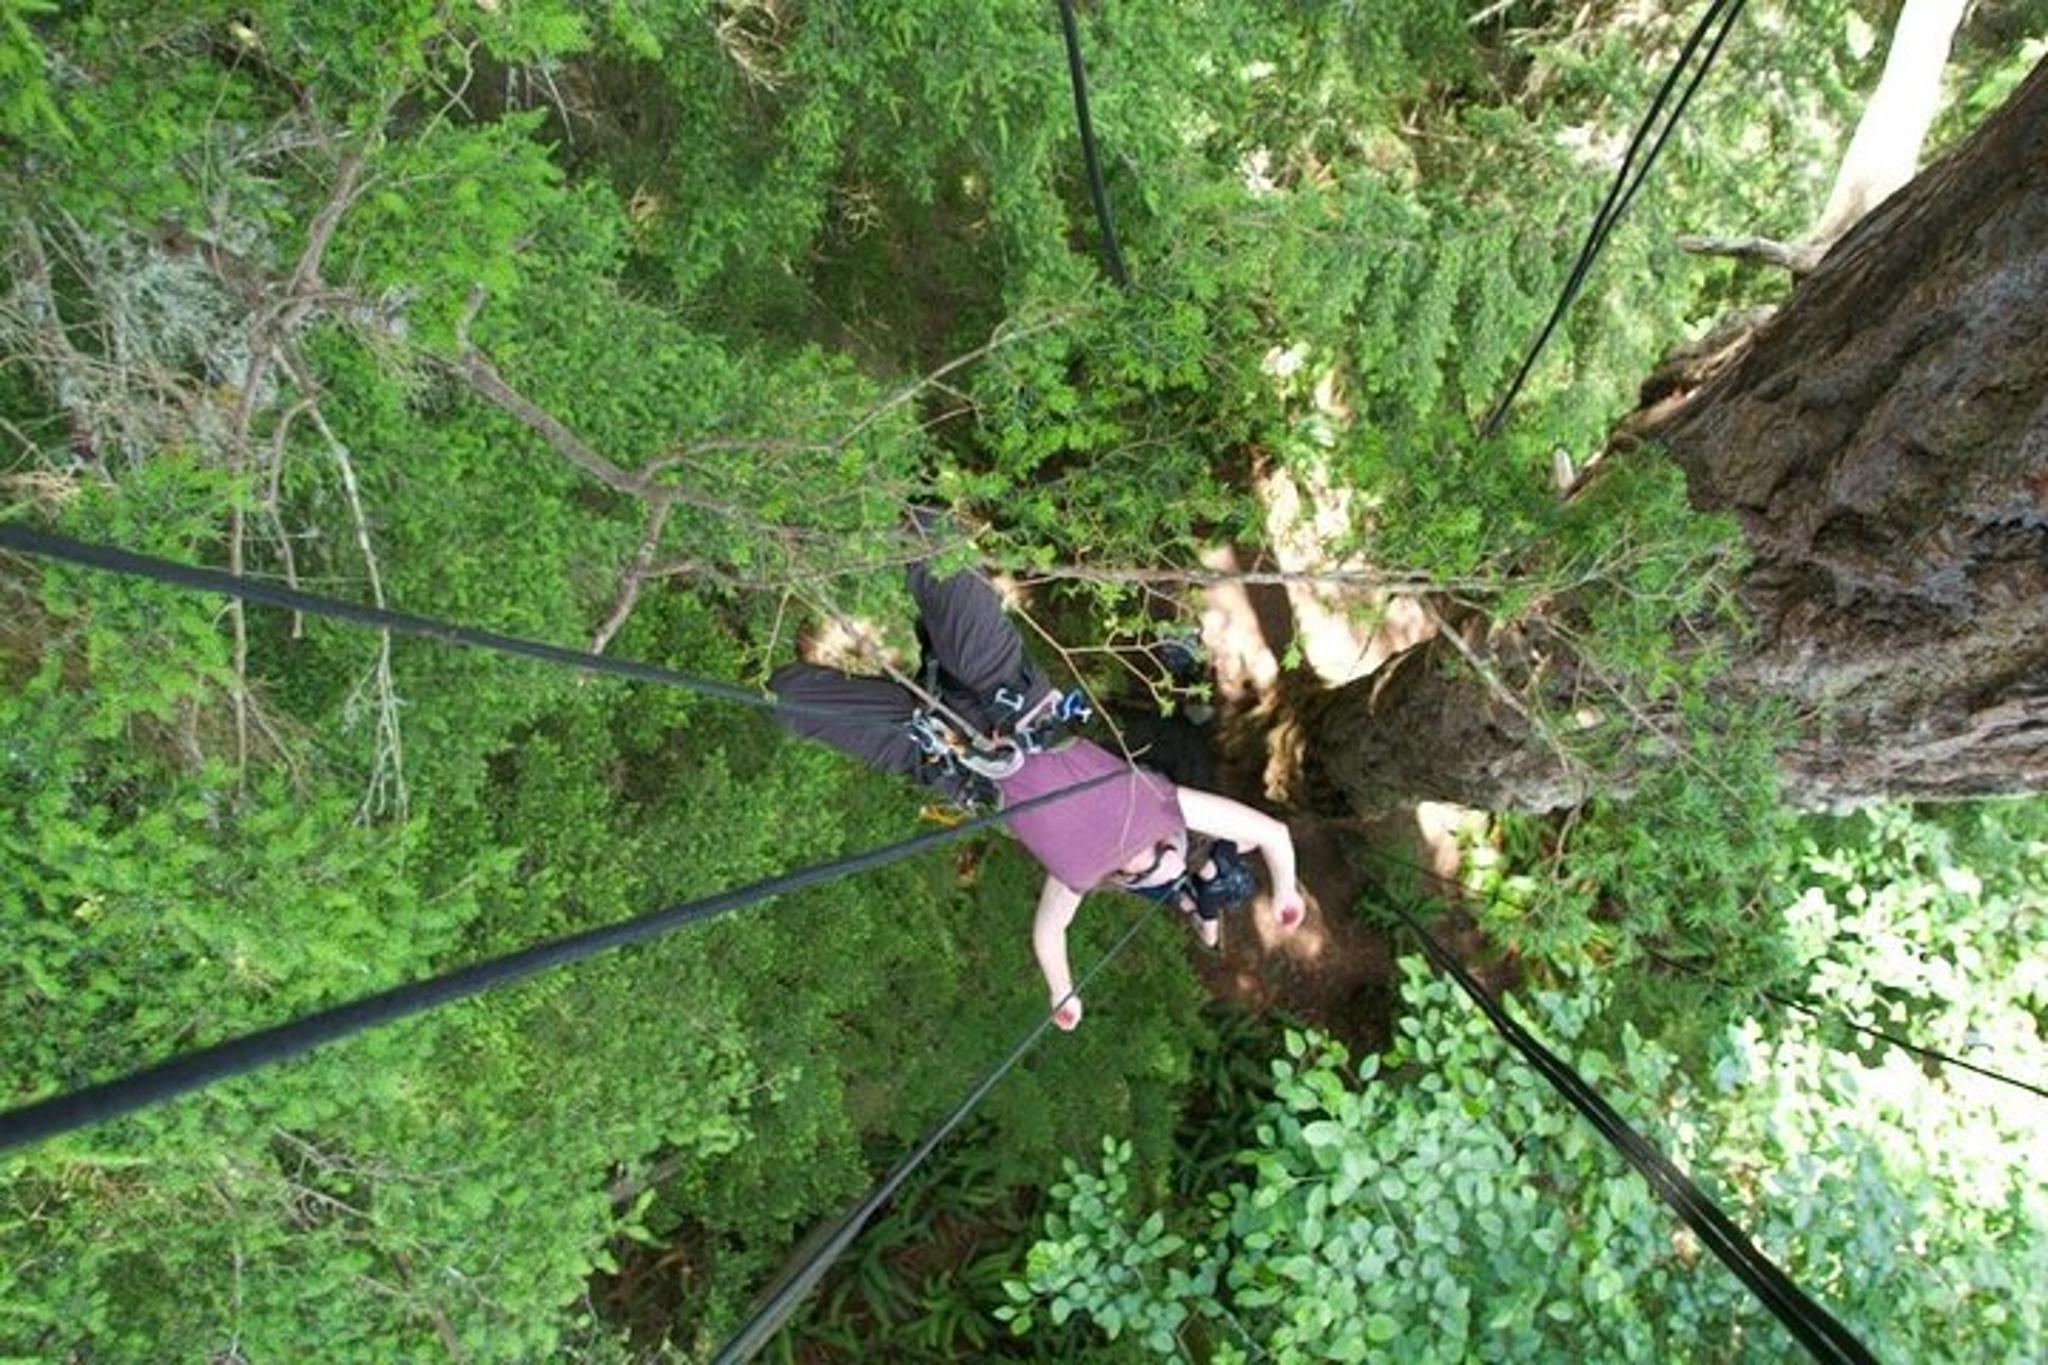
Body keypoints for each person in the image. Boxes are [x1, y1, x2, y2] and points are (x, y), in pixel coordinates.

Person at [771, 558, 1306, 1032]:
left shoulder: (1075, 875)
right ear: (1173, 840)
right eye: (1168, 852)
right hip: (1007, 696)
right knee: (936, 552)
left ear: (1122, 879)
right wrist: (1284, 891)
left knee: (790, 699)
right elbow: (1269, 832)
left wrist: (1063, 991)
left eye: (1142, 873)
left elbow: (1050, 936)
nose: (1150, 858)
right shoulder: (1164, 804)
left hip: (949, 754)